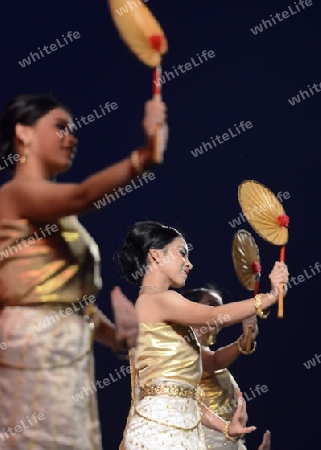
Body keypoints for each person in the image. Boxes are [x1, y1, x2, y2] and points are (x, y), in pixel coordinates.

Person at [0, 93, 167, 449]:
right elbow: (82, 196)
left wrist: (117, 336)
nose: (72, 137)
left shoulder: (62, 219)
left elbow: (78, 306)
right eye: (59, 126)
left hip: (70, 354)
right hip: (31, 345)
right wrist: (145, 156)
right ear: (23, 134)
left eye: (72, 129)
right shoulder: (13, 195)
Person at [116, 221, 288, 449]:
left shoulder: (153, 303)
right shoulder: (158, 299)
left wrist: (226, 428)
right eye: (182, 253)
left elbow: (186, 398)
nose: (189, 264)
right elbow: (215, 315)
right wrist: (270, 296)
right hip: (160, 434)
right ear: (156, 255)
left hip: (176, 433)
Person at [182, 284, 271, 450]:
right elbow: (214, 361)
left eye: (221, 308)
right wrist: (244, 341)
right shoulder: (181, 348)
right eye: (212, 305)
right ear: (190, 309)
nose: (220, 312)